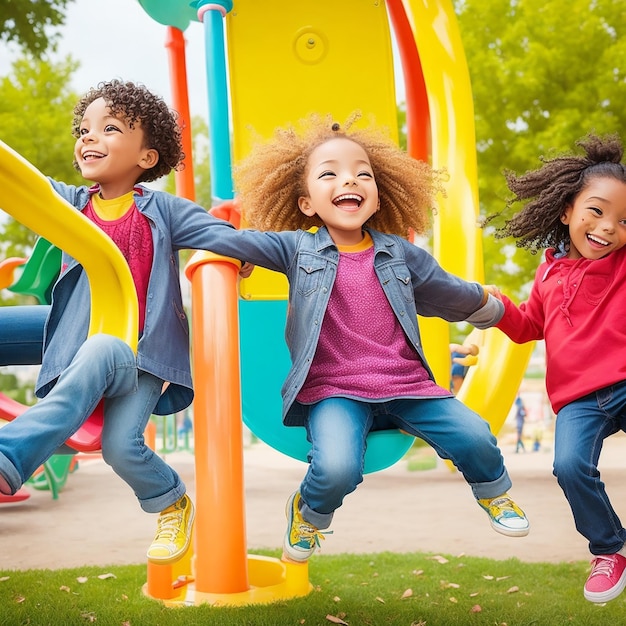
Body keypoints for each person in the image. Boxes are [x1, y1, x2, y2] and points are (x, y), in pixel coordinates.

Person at [194, 113, 530, 563]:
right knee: (337, 468)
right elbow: (227, 238)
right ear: (308, 203)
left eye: (362, 173)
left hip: (406, 385)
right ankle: (310, 513)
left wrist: (497, 310)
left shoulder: (401, 254)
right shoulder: (297, 248)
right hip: (335, 391)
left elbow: (449, 291)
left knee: (474, 434)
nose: (348, 180)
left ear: (377, 197)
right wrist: (212, 230)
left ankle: (495, 493)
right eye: (329, 173)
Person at [0, 79, 251, 564]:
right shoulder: (70, 203)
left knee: (120, 447)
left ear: (147, 157)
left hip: (135, 352)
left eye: (109, 128)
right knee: (71, 354)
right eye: (85, 129)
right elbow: (20, 184)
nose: (90, 137)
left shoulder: (163, 211)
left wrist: (242, 255)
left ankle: (169, 500)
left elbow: (222, 235)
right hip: (74, 328)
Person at [485, 133, 626, 603]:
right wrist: (490, 304)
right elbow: (529, 325)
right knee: (568, 465)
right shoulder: (547, 272)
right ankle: (609, 549)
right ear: (567, 210)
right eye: (597, 211)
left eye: (624, 221)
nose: (608, 228)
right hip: (579, 399)